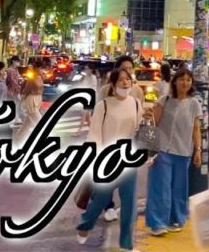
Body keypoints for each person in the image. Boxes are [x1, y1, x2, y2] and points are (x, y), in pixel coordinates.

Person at [76, 68, 143, 252]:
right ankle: (84, 225)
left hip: (128, 158)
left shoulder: (136, 104)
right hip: (107, 159)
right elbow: (95, 133)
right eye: (120, 80)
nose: (125, 83)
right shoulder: (104, 105)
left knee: (129, 203)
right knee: (100, 199)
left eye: (127, 79)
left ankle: (126, 245)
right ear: (112, 85)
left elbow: (140, 131)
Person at [146, 67, 202, 236]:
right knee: (160, 188)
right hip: (162, 150)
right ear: (175, 81)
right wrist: (150, 151)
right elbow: (153, 125)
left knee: (179, 189)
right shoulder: (165, 100)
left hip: (183, 151)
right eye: (181, 79)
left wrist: (197, 150)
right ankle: (158, 223)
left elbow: (196, 128)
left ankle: (176, 219)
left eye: (188, 80)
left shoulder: (194, 103)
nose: (185, 83)